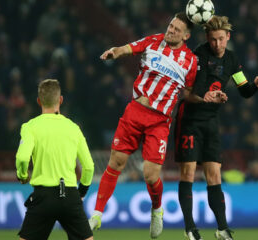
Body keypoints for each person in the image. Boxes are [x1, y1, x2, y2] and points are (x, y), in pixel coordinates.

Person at [88, 12, 227, 239]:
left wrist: (207, 97)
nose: (171, 30)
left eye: (176, 29)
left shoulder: (191, 62)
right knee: (116, 162)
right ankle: (96, 213)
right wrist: (116, 52)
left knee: (150, 175)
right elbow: (128, 48)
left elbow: (190, 94)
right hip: (134, 112)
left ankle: (157, 209)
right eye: (171, 26)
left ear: (186, 36)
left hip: (160, 121)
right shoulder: (153, 41)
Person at [175, 15, 258, 240]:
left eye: (220, 39)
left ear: (228, 36)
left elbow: (244, 90)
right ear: (207, 38)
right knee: (188, 172)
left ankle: (222, 228)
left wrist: (255, 85)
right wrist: (205, 96)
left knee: (215, 175)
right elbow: (187, 94)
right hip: (189, 119)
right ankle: (190, 228)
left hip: (210, 121)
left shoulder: (232, 60)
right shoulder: (197, 56)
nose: (217, 44)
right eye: (212, 40)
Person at [16, 79, 95, 240]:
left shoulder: (30, 127)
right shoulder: (73, 128)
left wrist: (22, 175)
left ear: (39, 101)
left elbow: (22, 157)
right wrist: (81, 192)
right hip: (70, 195)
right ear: (60, 100)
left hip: (43, 196)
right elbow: (89, 166)